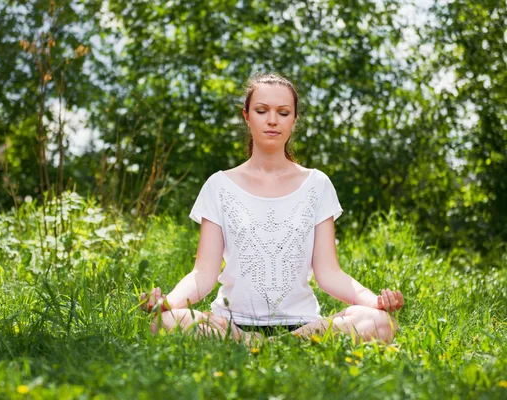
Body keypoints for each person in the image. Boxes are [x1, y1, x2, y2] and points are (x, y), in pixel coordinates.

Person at [140, 73, 404, 345]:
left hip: (303, 325)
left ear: (294, 120)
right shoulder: (219, 186)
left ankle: (284, 343)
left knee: (381, 323)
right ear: (246, 116)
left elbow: (329, 274)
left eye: (283, 112)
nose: (272, 120)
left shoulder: (317, 185)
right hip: (231, 324)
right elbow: (203, 274)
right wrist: (167, 302)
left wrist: (376, 302)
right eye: (261, 110)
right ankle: (259, 343)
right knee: (166, 322)